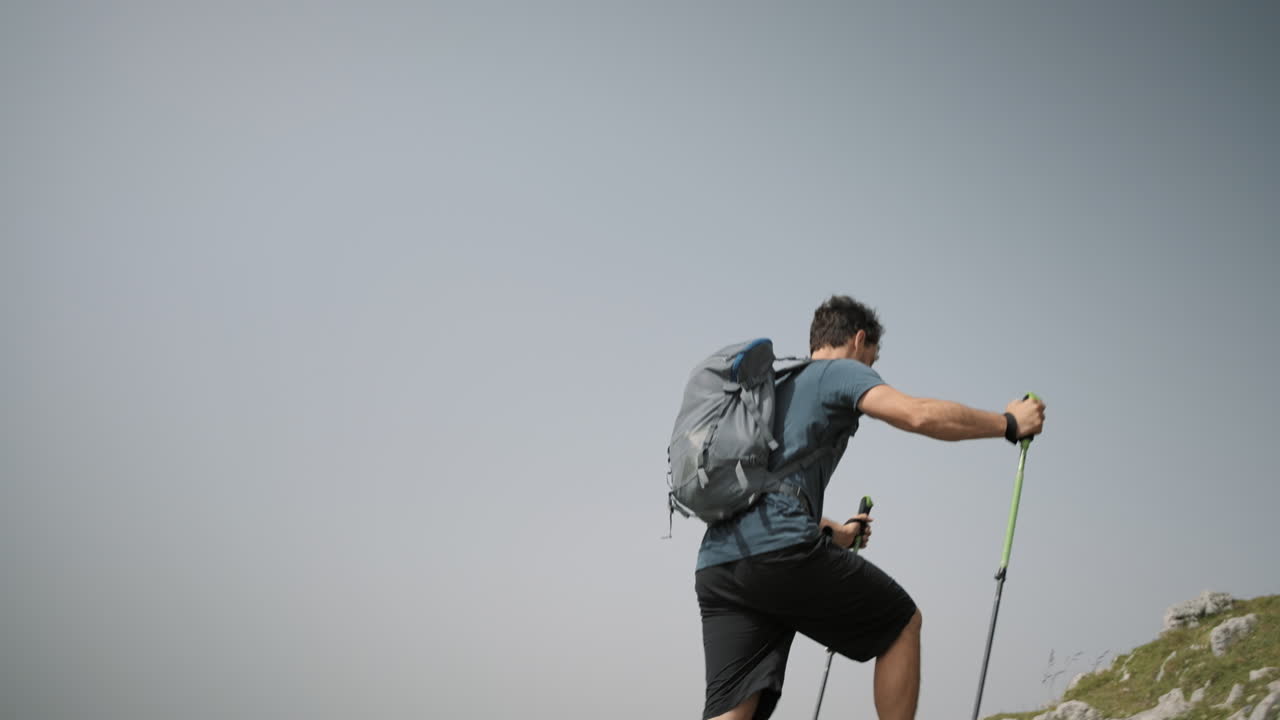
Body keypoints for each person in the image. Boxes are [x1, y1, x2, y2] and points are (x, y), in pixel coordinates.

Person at [694, 295, 1046, 720]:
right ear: (859, 340)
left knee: (733, 711)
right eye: (873, 358)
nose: (872, 367)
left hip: (719, 564)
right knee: (901, 624)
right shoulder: (837, 372)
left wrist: (838, 533)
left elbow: (763, 491)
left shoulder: (772, 389)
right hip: (777, 549)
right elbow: (916, 415)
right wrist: (1008, 423)